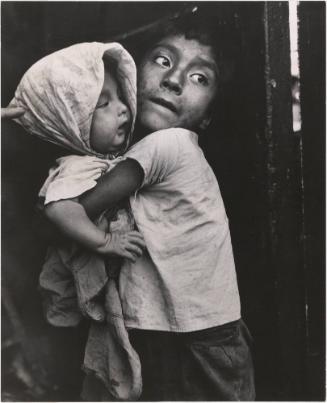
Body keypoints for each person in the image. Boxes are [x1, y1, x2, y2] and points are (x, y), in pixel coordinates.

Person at [75, 14, 255, 401]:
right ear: (132, 74)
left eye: (199, 77)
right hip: (174, 330)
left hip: (196, 341)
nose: (173, 80)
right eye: (163, 60)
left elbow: (78, 208)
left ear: (207, 116)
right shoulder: (152, 150)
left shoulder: (168, 145)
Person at [8, 41, 145, 400]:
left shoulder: (108, 159)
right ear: (71, 120)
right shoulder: (74, 167)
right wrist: (104, 243)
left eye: (120, 98)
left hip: (111, 286)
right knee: (97, 359)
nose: (121, 110)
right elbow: (59, 209)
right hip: (86, 283)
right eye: (103, 103)